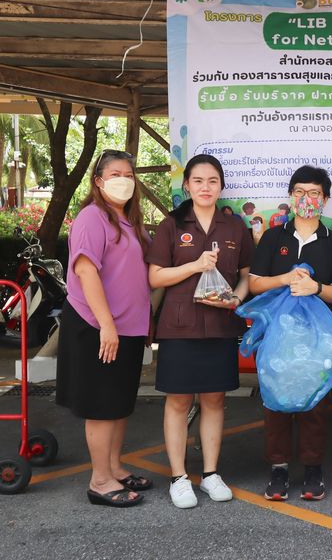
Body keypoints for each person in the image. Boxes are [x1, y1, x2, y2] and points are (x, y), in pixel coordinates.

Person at [147, 154, 253, 509]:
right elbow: (155, 276)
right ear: (187, 185)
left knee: (215, 399)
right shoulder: (172, 225)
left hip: (220, 326)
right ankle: (178, 477)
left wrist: (236, 299)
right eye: (198, 181)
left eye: (212, 181)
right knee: (179, 400)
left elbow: (247, 274)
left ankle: (210, 474)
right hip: (179, 327)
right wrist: (194, 266)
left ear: (221, 186)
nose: (205, 187)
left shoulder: (234, 227)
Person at [55, 149, 153, 508]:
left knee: (118, 403)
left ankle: (114, 468)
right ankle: (99, 481)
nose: (123, 180)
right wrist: (107, 325)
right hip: (97, 326)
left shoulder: (131, 221)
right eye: (114, 174)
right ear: (98, 181)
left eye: (128, 174)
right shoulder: (91, 217)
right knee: (101, 405)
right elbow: (85, 270)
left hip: (128, 328)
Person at [248, 165, 332, 502]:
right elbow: (254, 284)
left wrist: (315, 287)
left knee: (314, 403)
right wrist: (285, 279)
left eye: (315, 193)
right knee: (275, 400)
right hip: (276, 335)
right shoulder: (273, 238)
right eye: (300, 192)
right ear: (291, 196)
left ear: (326, 199)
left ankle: (312, 469)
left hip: (317, 338)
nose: (307, 199)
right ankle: (278, 469)